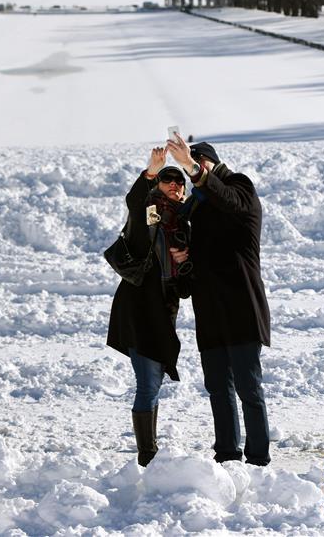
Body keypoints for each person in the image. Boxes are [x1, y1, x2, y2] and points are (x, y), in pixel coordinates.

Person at [166, 134, 271, 466]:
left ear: (209, 164)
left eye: (197, 167)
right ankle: (227, 455)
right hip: (210, 311)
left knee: (248, 389)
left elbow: (230, 200)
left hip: (241, 307)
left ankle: (258, 459)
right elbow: (192, 271)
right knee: (218, 389)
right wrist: (182, 262)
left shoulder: (240, 187)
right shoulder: (198, 207)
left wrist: (193, 168)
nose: (192, 176)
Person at [107, 148, 192, 466]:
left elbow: (185, 289)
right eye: (168, 180)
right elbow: (135, 206)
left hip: (164, 312)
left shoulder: (184, 226)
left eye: (179, 181)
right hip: (138, 307)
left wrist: (185, 264)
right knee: (147, 380)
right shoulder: (151, 215)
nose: (174, 185)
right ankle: (147, 454)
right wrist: (151, 172)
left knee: (153, 379)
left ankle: (149, 451)